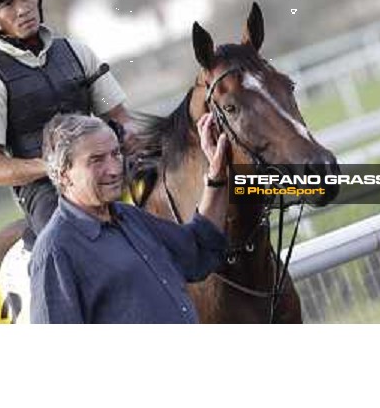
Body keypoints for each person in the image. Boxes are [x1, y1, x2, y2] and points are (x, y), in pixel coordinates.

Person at [0, 0, 133, 248]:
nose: (23, 8)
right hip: (46, 192)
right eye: (7, 4)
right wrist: (53, 167)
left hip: (108, 166)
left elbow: (120, 118)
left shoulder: (78, 52)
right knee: (71, 246)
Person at [30, 112, 230, 324]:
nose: (115, 169)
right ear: (64, 174)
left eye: (116, 154)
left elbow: (198, 250)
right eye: (97, 160)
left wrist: (216, 175)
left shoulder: (130, 216)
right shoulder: (55, 250)